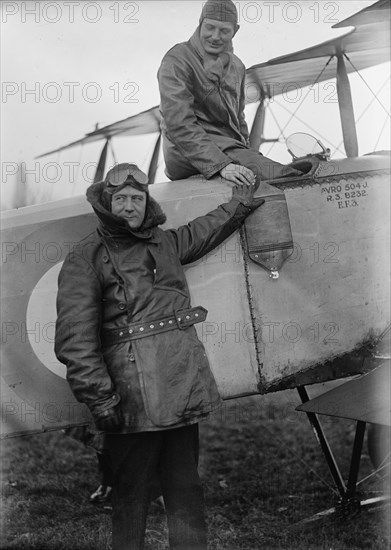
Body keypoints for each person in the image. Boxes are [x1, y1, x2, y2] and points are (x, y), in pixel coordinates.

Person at [55, 163, 265, 550]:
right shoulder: (86, 257)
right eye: (121, 199)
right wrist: (100, 398)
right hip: (130, 397)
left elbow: (204, 230)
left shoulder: (163, 242)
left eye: (137, 198)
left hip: (180, 383)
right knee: (131, 496)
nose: (130, 206)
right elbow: (75, 340)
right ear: (106, 202)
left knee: (186, 488)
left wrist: (240, 203)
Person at [158, 0, 302, 188]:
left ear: (235, 30)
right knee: (277, 174)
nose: (215, 37)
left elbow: (239, 118)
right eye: (210, 27)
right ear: (200, 23)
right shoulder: (177, 59)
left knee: (281, 170)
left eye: (224, 31)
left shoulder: (237, 66)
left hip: (228, 147)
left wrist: (248, 151)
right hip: (184, 151)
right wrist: (221, 165)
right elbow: (178, 123)